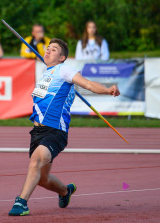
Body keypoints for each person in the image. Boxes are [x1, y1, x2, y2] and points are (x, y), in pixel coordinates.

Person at [8, 38, 120, 216]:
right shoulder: (47, 73)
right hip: (37, 132)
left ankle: (21, 202)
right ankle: (65, 191)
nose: (47, 51)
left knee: (35, 161)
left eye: (53, 50)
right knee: (42, 179)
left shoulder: (64, 70)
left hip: (55, 131)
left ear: (62, 57)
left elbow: (88, 84)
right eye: (47, 49)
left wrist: (107, 90)